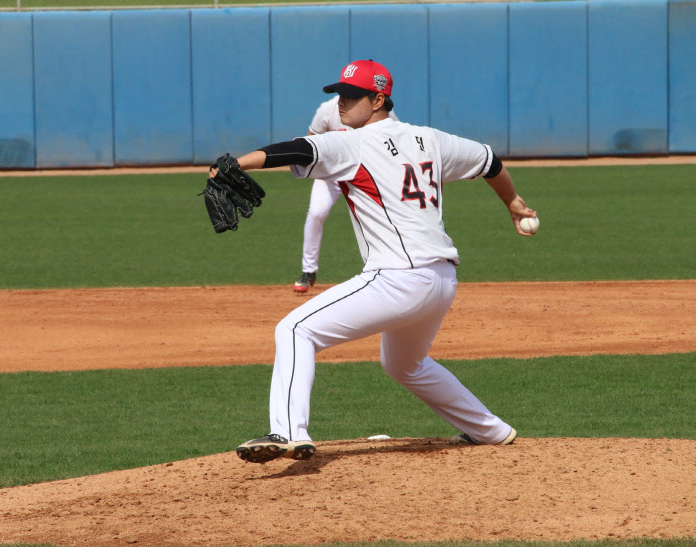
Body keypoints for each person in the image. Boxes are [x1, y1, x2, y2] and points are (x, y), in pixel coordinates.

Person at [213, 60, 538, 464]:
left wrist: (236, 164)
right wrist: (513, 201)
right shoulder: (429, 138)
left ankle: (289, 432)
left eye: (352, 95)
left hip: (399, 280)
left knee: (295, 329)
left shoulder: (354, 143)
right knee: (405, 365)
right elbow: (490, 161)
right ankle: (490, 430)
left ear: (379, 99)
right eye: (339, 94)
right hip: (441, 280)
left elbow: (298, 149)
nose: (341, 102)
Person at [293, 97, 398, 294]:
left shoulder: (381, 110)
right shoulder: (327, 110)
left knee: (381, 216)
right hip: (332, 174)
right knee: (316, 213)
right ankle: (308, 271)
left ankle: (388, 268)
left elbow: (397, 141)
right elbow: (310, 141)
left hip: (367, 174)